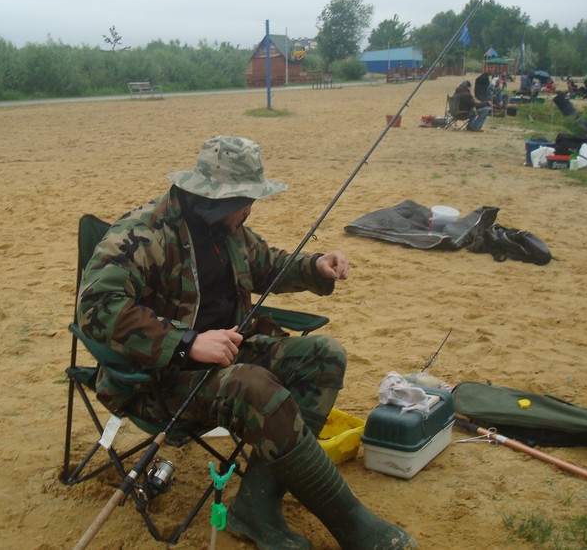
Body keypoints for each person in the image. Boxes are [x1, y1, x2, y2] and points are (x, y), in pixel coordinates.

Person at [78, 136, 417, 550]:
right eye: (246, 200)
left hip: (228, 357)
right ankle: (354, 527)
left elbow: (266, 264)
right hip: (159, 382)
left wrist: (315, 266)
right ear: (218, 198)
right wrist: (186, 343)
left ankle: (257, 505)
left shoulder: (227, 229)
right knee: (253, 387)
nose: (250, 209)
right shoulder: (143, 234)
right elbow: (96, 307)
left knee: (324, 356)